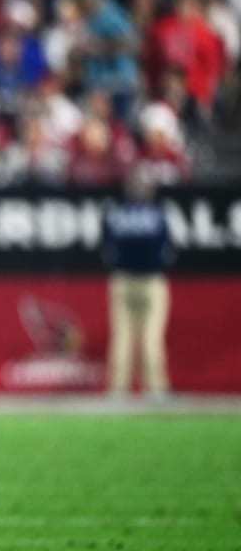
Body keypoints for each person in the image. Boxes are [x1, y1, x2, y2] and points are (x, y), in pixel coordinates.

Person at [101, 169, 174, 400]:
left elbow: (106, 250)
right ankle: (156, 388)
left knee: (122, 336)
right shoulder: (157, 215)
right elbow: (168, 250)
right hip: (151, 280)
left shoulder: (115, 214)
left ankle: (118, 388)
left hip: (122, 279)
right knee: (152, 335)